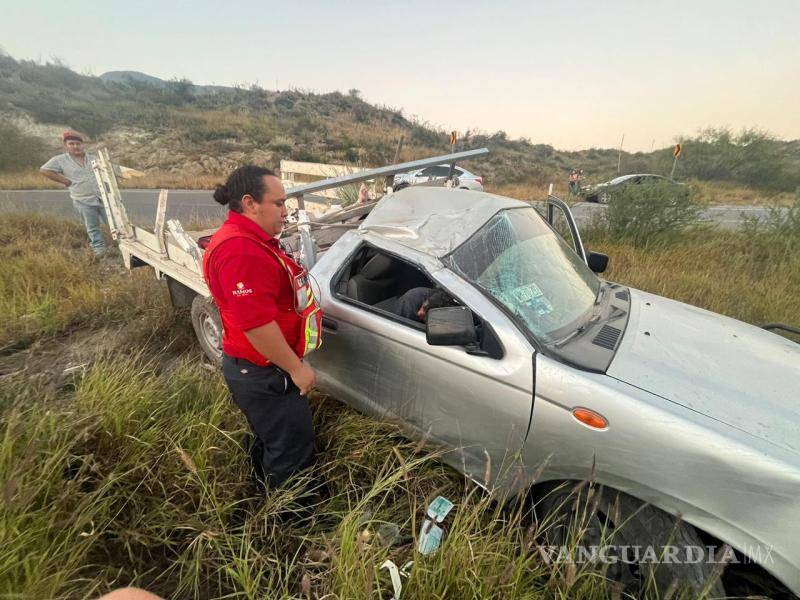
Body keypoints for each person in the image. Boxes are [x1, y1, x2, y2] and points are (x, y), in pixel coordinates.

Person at [202, 165, 322, 487]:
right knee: (291, 450)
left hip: (259, 367)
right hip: (264, 371)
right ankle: (295, 519)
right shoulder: (240, 250)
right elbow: (256, 325)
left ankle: (264, 490)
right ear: (250, 203)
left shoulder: (252, 239)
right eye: (279, 203)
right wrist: (295, 368)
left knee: (274, 439)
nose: (286, 211)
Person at [40, 131, 110, 255]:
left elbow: (107, 171)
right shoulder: (60, 160)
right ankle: (99, 248)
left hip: (103, 198)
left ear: (83, 145)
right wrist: (64, 181)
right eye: (71, 144)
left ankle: (123, 244)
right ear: (66, 145)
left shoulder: (94, 159)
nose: (75, 146)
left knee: (114, 224)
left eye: (78, 143)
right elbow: (44, 170)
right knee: (92, 227)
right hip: (82, 200)